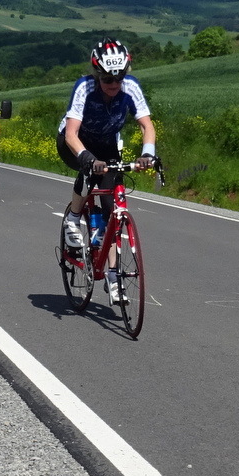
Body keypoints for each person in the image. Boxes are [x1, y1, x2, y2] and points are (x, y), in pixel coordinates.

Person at [57, 39, 157, 303]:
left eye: (119, 79)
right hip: (75, 142)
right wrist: (88, 158)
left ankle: (113, 274)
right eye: (107, 81)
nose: (114, 86)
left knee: (111, 208)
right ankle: (73, 217)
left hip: (106, 142)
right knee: (89, 172)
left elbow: (147, 126)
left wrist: (148, 154)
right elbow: (71, 133)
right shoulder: (84, 88)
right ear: (96, 75)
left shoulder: (131, 87)